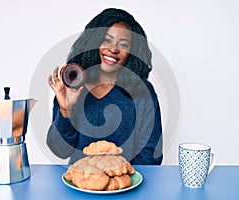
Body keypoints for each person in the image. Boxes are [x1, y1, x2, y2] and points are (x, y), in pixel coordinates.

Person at [47, 8, 163, 165]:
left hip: (126, 185)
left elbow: (151, 154)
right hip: (80, 184)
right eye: (107, 40)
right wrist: (66, 110)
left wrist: (119, 180)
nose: (113, 49)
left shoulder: (143, 92)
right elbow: (60, 150)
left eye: (123, 44)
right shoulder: (73, 87)